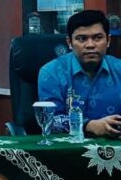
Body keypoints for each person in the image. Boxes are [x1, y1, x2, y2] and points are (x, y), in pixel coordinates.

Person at [38, 9, 121, 137]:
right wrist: (88, 126)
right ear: (69, 43)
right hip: (68, 146)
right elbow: (49, 119)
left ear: (108, 40)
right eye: (82, 39)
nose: (90, 45)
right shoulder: (51, 72)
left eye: (98, 38)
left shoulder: (118, 69)